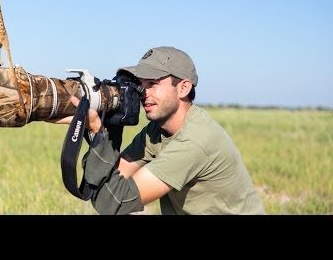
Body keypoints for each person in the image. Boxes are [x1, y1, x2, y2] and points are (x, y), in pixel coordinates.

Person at [59, 46, 265, 215]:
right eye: (141, 84)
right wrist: (104, 123)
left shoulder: (195, 141)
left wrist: (97, 131)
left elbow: (115, 203)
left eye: (153, 84)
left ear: (183, 88)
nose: (142, 92)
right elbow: (105, 181)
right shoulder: (156, 131)